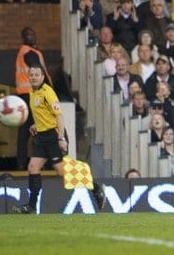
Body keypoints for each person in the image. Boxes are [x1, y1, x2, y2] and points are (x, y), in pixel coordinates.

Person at [13, 64, 105, 214]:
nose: (34, 77)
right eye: (32, 75)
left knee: (61, 171)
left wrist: (61, 138)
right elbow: (44, 114)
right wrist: (37, 125)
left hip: (53, 135)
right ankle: (31, 206)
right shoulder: (32, 92)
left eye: (37, 75)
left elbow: (59, 116)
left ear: (43, 77)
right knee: (33, 167)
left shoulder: (47, 92)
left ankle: (96, 188)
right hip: (41, 136)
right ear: (28, 77)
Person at [15, 27, 53, 171]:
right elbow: (38, 73)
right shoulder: (29, 52)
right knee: (41, 128)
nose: (32, 37)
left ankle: (21, 163)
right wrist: (48, 93)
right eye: (28, 35)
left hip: (25, 94)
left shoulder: (24, 52)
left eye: (33, 34)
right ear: (23, 38)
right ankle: (43, 162)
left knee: (25, 130)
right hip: (33, 94)